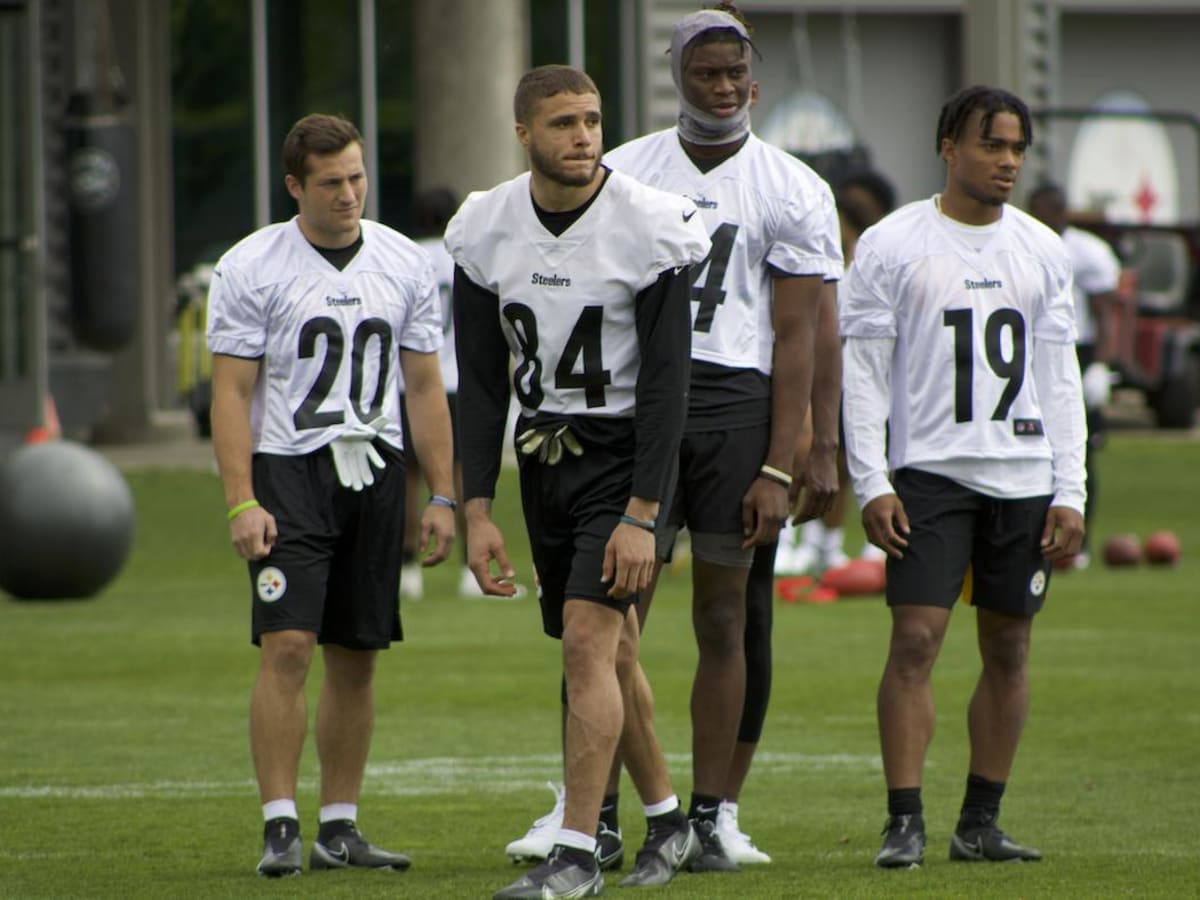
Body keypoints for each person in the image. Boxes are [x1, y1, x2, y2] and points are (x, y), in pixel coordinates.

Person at [504, 3, 841, 874]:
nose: (722, 86)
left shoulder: (793, 185)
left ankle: (714, 812)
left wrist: (789, 453)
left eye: (735, 71)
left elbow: (800, 333)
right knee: (605, 616)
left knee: (728, 612)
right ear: (677, 75)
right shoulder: (625, 167)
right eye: (705, 71)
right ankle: (596, 812)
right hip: (632, 403)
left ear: (754, 78)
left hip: (735, 405)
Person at [448, 65, 712, 899]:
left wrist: (644, 512)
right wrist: (476, 509)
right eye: (563, 123)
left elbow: (671, 382)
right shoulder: (485, 227)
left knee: (589, 642)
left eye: (593, 120)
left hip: (628, 455)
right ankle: (669, 818)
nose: (583, 137)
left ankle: (577, 850)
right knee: (611, 649)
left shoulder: (650, 224)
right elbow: (483, 382)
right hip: (542, 453)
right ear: (523, 133)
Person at [839, 86, 1086, 869]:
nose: (1007, 161)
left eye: (1017, 147)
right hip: (931, 476)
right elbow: (864, 372)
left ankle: (979, 821)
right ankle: (903, 819)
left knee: (1010, 650)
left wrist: (1071, 488)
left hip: (1023, 476)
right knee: (916, 638)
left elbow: (1060, 377)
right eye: (992, 145)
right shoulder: (891, 242)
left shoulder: (1045, 249)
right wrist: (871, 479)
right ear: (949, 146)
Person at [206, 113, 456, 878]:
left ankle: (339, 826)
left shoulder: (403, 261)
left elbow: (422, 385)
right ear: (294, 186)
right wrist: (242, 500)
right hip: (291, 469)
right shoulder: (252, 265)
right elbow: (231, 392)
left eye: (356, 177)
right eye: (330, 183)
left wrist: (444, 495)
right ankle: (280, 823)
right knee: (287, 645)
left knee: (359, 653)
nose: (349, 194)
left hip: (376, 470)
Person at [777, 167, 896, 576]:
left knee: (844, 460)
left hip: (853, 371)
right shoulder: (810, 255)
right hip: (807, 366)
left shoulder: (868, 258)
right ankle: (788, 539)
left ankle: (826, 544)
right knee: (798, 451)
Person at [398, 186, 495, 598]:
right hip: (456, 381)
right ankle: (469, 569)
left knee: (409, 477)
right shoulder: (461, 257)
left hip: (411, 382)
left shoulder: (404, 259)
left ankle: (407, 570)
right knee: (458, 474)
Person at [1027, 182, 1121, 569]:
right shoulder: (1021, 241)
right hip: (1032, 350)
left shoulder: (1087, 252)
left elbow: (1106, 314)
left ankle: (1079, 540)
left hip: (1078, 350)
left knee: (1079, 450)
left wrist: (1101, 365)